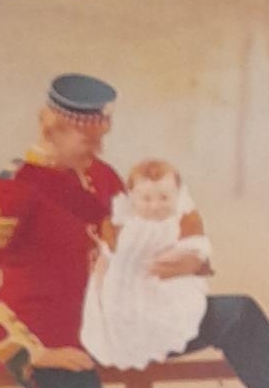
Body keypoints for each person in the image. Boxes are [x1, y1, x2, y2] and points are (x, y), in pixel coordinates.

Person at [0, 73, 269, 388]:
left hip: (119, 321)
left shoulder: (101, 176)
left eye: (101, 138)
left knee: (239, 314)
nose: (99, 150)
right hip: (54, 344)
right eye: (88, 140)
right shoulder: (11, 191)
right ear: (52, 130)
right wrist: (31, 352)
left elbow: (140, 243)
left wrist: (191, 262)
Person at [82, 159, 212, 373]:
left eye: (164, 198)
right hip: (123, 292)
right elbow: (106, 258)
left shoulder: (178, 223)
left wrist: (180, 259)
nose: (155, 206)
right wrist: (99, 286)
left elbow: (194, 251)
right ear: (132, 197)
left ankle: (156, 334)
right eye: (146, 199)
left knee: (171, 309)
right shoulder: (122, 225)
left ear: (177, 195)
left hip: (165, 288)